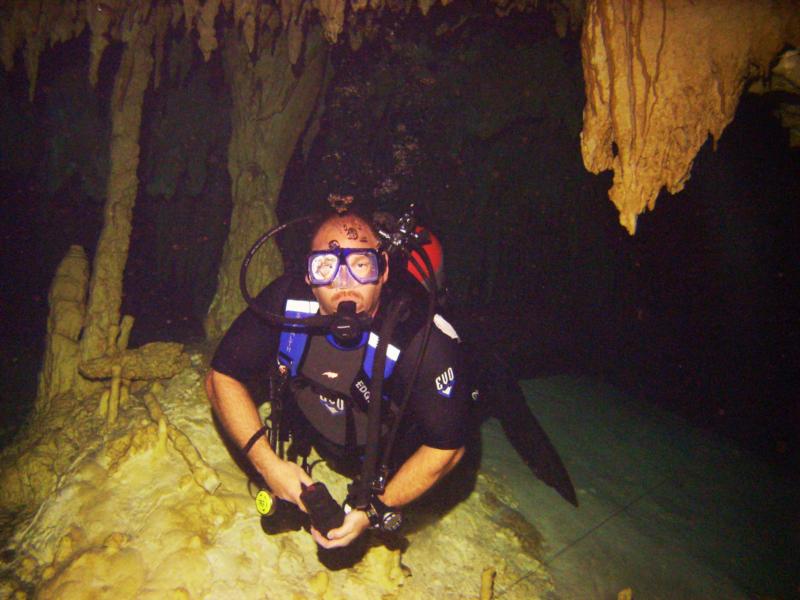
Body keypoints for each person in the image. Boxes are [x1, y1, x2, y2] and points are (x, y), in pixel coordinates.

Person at [205, 210, 468, 549]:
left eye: (361, 265)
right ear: (309, 277)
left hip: (384, 460)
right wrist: (269, 466)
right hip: (314, 437)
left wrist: (375, 509)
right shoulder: (285, 303)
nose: (344, 282)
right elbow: (221, 377)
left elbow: (448, 447)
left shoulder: (419, 337)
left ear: (384, 270)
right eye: (326, 267)